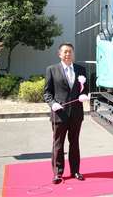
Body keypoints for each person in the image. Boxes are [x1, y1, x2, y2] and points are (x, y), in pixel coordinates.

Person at [43, 43, 89, 184]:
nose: (68, 54)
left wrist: (84, 95)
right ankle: (58, 173)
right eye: (65, 52)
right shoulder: (52, 69)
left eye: (70, 52)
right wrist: (53, 104)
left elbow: (85, 89)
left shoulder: (81, 70)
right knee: (58, 144)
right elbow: (47, 93)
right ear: (60, 54)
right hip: (59, 113)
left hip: (76, 113)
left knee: (74, 143)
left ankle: (75, 170)